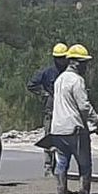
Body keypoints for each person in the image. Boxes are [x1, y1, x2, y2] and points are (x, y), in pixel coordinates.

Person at [50, 44, 98, 194]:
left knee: (61, 164)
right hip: (75, 130)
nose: (86, 67)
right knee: (84, 164)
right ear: (75, 62)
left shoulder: (59, 79)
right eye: (84, 63)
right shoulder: (77, 80)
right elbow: (84, 106)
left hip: (58, 129)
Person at [27, 43, 69, 178]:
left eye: (63, 57)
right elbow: (31, 84)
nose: (61, 60)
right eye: (59, 57)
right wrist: (44, 94)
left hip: (66, 109)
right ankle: (48, 167)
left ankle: (60, 168)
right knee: (49, 137)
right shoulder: (47, 72)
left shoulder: (70, 72)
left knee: (65, 139)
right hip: (51, 108)